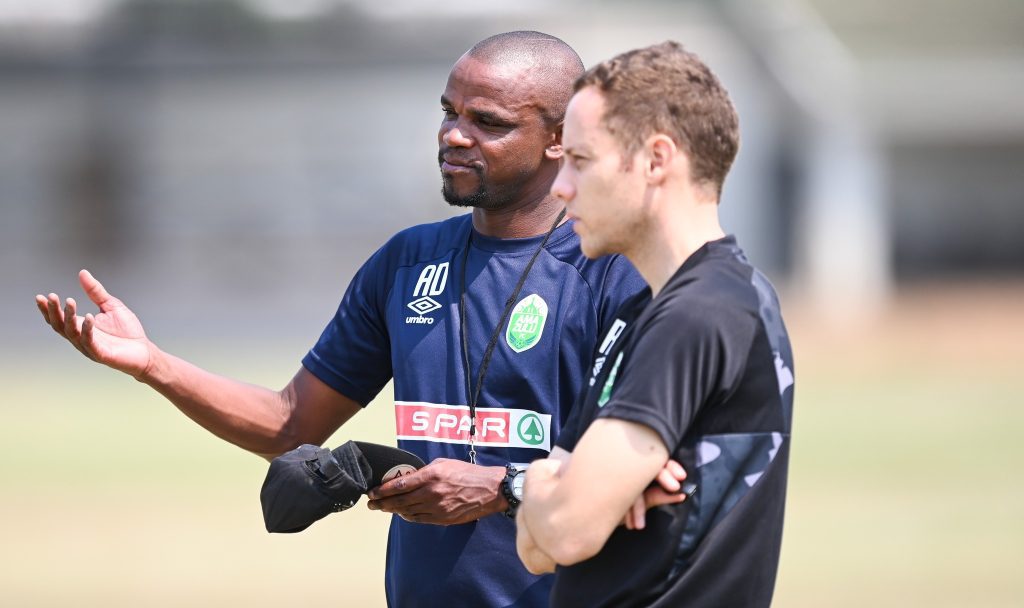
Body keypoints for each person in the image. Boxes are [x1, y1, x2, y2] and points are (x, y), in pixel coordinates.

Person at [35, 31, 653, 607]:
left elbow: (650, 468)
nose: (454, 136)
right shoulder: (408, 262)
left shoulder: (616, 270)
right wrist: (153, 364)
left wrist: (498, 485)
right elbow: (290, 423)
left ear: (560, 139)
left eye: (487, 123)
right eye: (449, 113)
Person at [515, 41, 796, 607]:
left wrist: (557, 489)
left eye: (580, 160)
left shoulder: (705, 310)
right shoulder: (642, 310)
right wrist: (568, 487)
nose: (560, 186)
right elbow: (534, 549)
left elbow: (565, 531)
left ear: (656, 160)